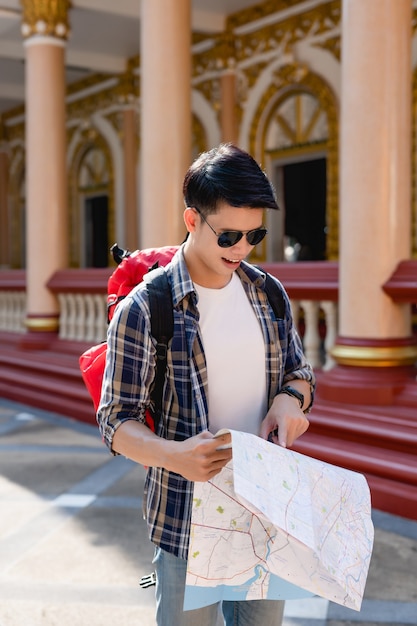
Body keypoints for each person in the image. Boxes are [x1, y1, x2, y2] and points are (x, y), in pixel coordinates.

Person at [97, 143, 315, 626]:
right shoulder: (146, 307)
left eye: (254, 234)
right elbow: (115, 422)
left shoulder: (267, 293)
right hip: (185, 521)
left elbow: (300, 374)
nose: (242, 248)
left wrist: (287, 402)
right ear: (192, 220)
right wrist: (176, 457)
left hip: (263, 514)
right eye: (229, 235)